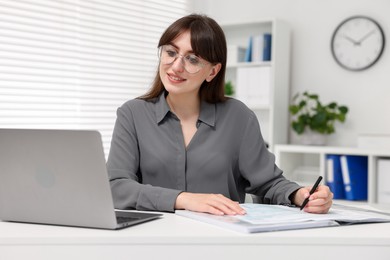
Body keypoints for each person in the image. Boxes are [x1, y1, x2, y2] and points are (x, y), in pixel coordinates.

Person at [107, 14, 333, 216]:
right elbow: (116, 186)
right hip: (153, 240)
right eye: (171, 52)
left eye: (192, 59)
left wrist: (300, 194)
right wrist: (184, 200)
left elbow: (269, 182)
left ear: (213, 71)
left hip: (223, 240)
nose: (176, 66)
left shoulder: (238, 117)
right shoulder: (132, 114)